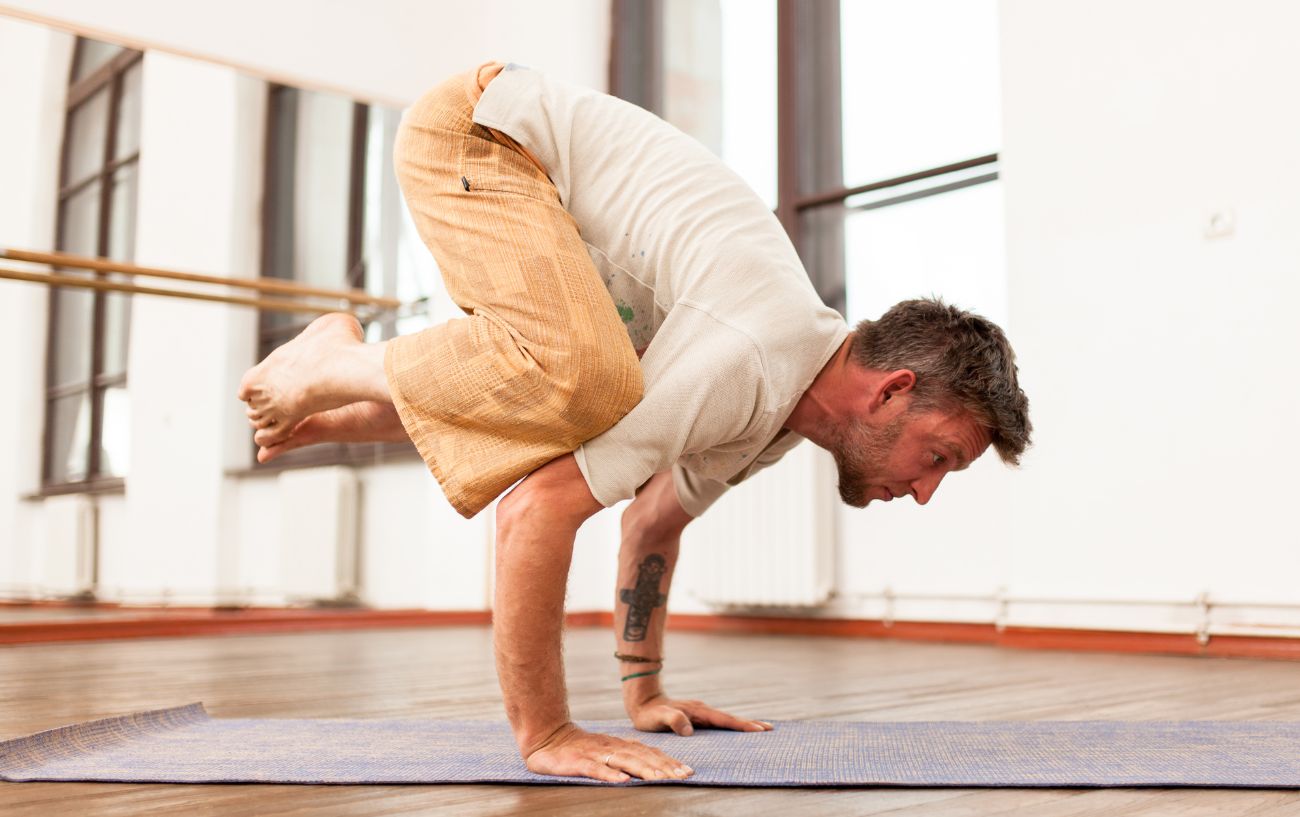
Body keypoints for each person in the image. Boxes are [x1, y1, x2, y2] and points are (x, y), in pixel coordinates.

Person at [237, 62, 1032, 784]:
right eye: (940, 456)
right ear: (892, 391)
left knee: (584, 394)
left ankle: (335, 408)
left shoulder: (782, 409)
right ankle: (335, 360)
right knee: (581, 379)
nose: (925, 490)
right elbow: (535, 508)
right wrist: (547, 731)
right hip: (480, 132)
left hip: (533, 194)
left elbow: (651, 523)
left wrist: (644, 691)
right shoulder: (751, 356)